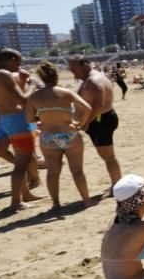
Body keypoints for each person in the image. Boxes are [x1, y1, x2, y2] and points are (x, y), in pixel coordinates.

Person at [24, 61, 94, 210]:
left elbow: (29, 119)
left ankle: (55, 203)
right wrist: (79, 123)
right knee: (77, 171)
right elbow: (87, 108)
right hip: (68, 134)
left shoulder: (35, 97)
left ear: (42, 78)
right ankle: (87, 200)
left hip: (48, 137)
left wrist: (42, 118)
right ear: (56, 76)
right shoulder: (65, 92)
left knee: (52, 172)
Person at [0, 48, 42, 210]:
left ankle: (26, 194)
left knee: (21, 160)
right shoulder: (4, 75)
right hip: (18, 120)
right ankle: (16, 202)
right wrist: (31, 84)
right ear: (11, 60)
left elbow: (6, 96)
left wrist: (20, 82)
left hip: (5, 119)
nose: (20, 65)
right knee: (22, 162)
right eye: (19, 61)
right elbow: (23, 100)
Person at [69, 57, 123, 191]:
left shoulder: (93, 81)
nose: (72, 71)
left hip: (100, 120)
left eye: (74, 68)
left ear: (84, 64)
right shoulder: (94, 78)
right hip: (101, 119)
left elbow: (99, 105)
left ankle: (117, 185)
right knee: (108, 156)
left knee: (108, 156)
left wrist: (86, 122)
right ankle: (117, 183)